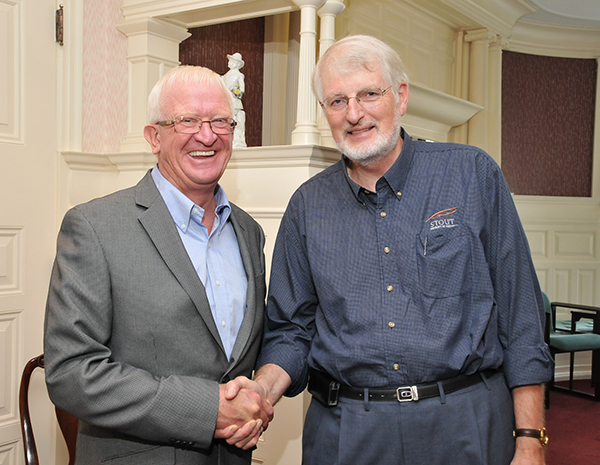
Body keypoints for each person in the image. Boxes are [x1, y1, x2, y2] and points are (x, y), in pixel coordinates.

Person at [226, 35, 553, 464]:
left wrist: (530, 440)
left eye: (368, 94)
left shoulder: (472, 175)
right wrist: (262, 389)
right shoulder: (307, 206)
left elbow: (520, 316)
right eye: (337, 101)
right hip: (347, 433)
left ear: (400, 96)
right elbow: (291, 330)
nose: (354, 113)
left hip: (466, 424)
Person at [44, 65, 272, 465]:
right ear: (154, 137)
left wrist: (254, 403)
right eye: (187, 121)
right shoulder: (95, 227)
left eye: (220, 120)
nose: (207, 135)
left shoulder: (248, 232)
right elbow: (72, 373)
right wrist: (207, 409)